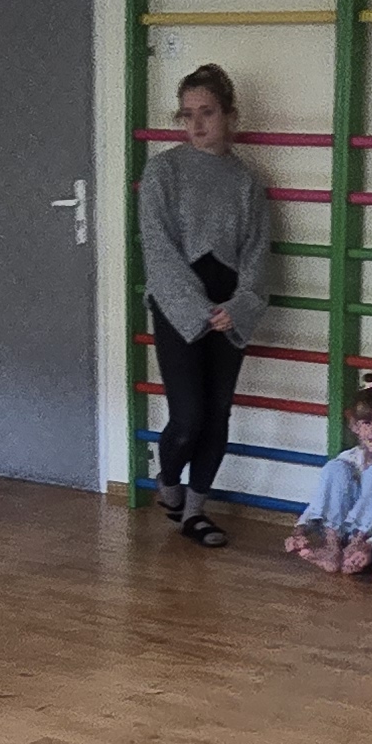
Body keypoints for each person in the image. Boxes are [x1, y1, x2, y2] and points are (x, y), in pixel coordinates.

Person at [136, 64, 275, 546]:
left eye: (207, 112)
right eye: (187, 114)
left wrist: (239, 306)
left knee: (217, 415)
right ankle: (169, 480)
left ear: (230, 117)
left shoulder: (246, 182)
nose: (196, 123)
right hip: (179, 310)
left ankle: (195, 512)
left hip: (229, 310)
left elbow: (256, 253)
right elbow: (158, 247)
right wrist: (196, 309)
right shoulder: (164, 171)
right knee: (189, 415)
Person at [287, 380, 372, 576]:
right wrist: (300, 530)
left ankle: (357, 550)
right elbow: (321, 499)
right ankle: (332, 548)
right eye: (367, 423)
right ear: (354, 425)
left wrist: (369, 543)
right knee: (335, 468)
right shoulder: (348, 458)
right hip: (341, 535)